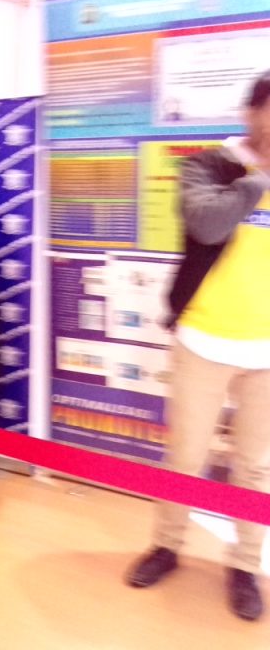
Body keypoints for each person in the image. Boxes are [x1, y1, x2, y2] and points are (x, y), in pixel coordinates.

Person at [126, 71, 270, 622]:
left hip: (266, 351)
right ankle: (167, 545)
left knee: (255, 468)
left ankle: (246, 565)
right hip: (204, 339)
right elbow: (208, 225)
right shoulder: (210, 165)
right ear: (252, 112)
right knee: (186, 457)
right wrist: (259, 179)